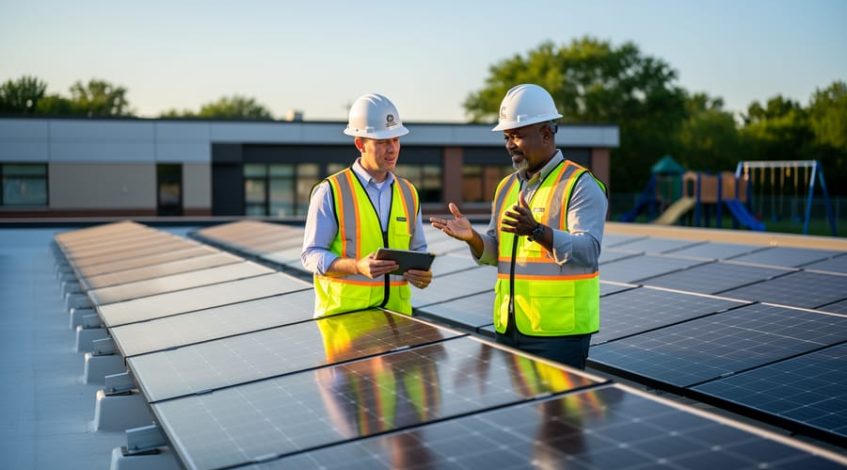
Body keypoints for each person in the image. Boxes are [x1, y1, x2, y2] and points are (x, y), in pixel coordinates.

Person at [431, 84, 607, 369]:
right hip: (510, 327)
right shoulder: (505, 188)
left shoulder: (580, 184)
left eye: (518, 136)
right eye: (507, 137)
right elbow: (495, 253)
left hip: (559, 334)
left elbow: (588, 251)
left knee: (558, 415)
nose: (510, 144)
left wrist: (537, 231)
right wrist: (472, 238)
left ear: (546, 134)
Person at [301, 93, 432, 317]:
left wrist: (423, 276)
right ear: (360, 143)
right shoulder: (330, 191)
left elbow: (418, 251)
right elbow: (311, 255)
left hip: (397, 323)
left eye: (396, 140)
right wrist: (356, 266)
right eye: (382, 142)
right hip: (344, 323)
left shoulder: (409, 193)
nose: (392, 149)